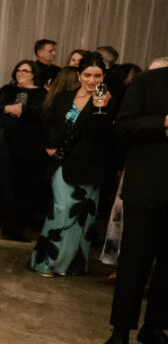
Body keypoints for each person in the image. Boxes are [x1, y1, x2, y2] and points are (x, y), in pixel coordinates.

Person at [102, 62, 168, 344]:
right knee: (134, 262)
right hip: (147, 186)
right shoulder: (148, 81)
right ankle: (120, 331)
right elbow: (123, 126)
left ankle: (154, 327)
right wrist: (163, 122)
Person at [30, 53, 114, 277]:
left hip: (87, 166)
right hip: (61, 161)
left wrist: (100, 109)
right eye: (87, 75)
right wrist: (50, 144)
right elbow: (48, 122)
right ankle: (47, 262)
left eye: (97, 75)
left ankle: (70, 265)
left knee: (80, 217)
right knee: (61, 209)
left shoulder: (108, 101)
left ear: (103, 76)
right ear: (79, 75)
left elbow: (102, 137)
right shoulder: (63, 97)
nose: (92, 80)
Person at [0, 60, 46, 241]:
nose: (21, 74)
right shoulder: (7, 90)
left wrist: (22, 111)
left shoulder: (41, 93)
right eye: (18, 70)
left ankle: (16, 223)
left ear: (34, 74)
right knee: (2, 178)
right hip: (4, 140)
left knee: (23, 183)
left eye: (25, 71)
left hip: (28, 144)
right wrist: (9, 108)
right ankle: (1, 217)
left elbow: (41, 113)